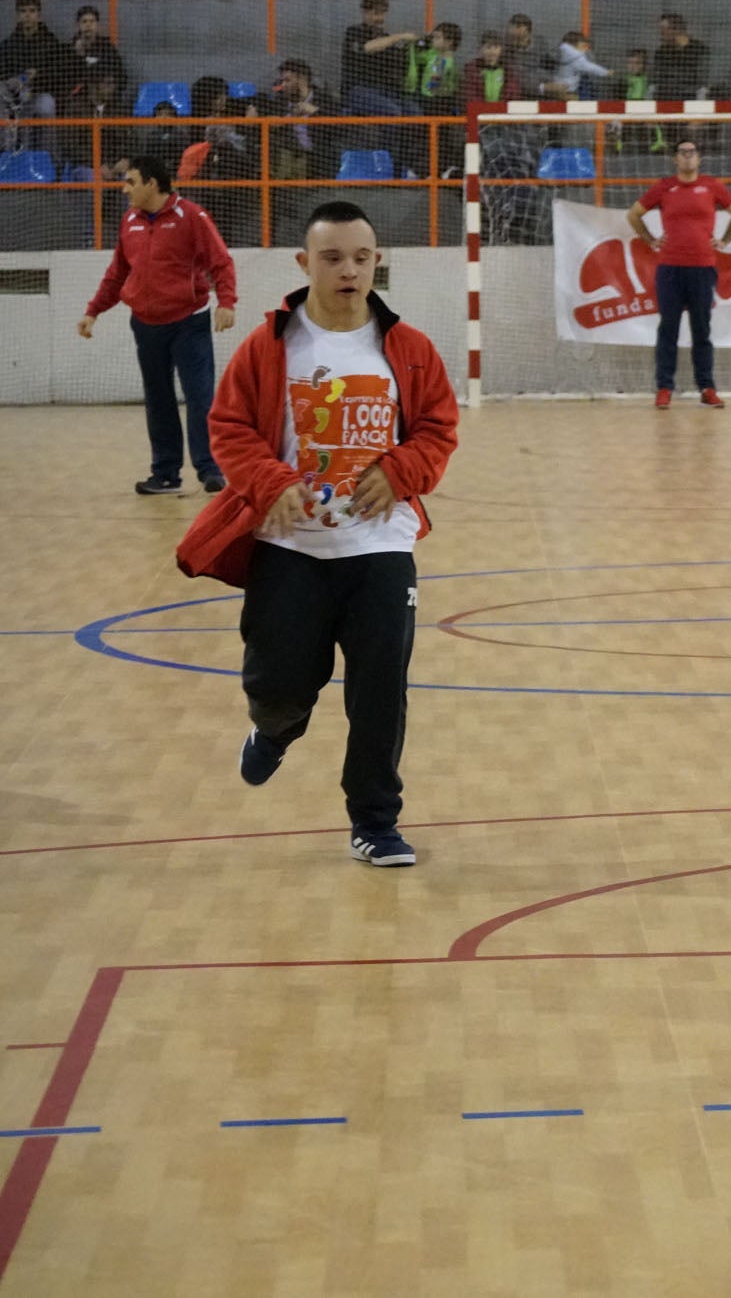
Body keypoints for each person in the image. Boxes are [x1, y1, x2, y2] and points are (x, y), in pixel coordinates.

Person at [173, 201, 459, 867]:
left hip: (381, 548)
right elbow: (229, 427)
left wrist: (401, 471)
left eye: (362, 257)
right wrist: (272, 484)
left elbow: (438, 430)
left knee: (381, 688)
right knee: (280, 681)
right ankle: (274, 729)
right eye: (332, 257)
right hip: (289, 549)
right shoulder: (271, 343)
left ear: (377, 260)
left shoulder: (410, 349)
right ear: (305, 264)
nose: (349, 270)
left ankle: (375, 820)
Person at [77, 155, 237, 495]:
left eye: (131, 182)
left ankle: (209, 469)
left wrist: (226, 303)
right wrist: (94, 311)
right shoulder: (129, 222)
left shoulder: (192, 216)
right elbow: (117, 273)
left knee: (200, 397)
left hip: (189, 322)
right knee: (158, 398)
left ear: (152, 183)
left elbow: (220, 261)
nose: (124, 189)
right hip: (146, 325)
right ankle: (165, 474)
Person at [626, 139, 731, 408]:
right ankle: (664, 388)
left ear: (699, 158)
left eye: (692, 152)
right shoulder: (664, 187)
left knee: (701, 330)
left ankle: (706, 387)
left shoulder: (712, 186)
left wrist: (724, 240)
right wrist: (650, 239)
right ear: (675, 159)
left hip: (703, 269)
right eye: (683, 153)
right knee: (668, 328)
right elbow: (634, 214)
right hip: (670, 269)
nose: (688, 157)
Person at [650, 14, 708, 103]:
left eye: (664, 29)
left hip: (690, 101)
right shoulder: (661, 52)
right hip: (665, 102)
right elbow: (656, 80)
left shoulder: (698, 49)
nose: (661, 33)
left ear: (676, 29)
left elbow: (702, 79)